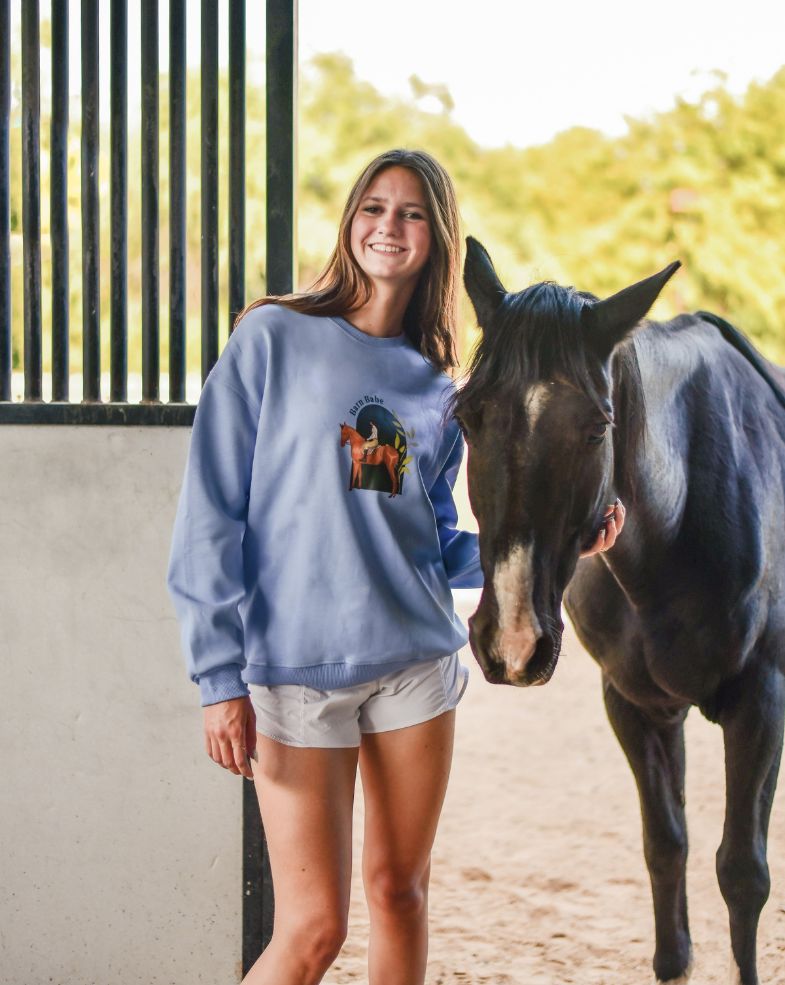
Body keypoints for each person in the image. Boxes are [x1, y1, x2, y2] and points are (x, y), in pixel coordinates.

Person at [165, 148, 624, 985]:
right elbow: (208, 515)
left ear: (436, 238)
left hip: (413, 663)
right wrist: (215, 676)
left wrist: (569, 544)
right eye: (374, 207)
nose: (389, 226)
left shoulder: (437, 386)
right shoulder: (273, 337)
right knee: (311, 931)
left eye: (412, 212)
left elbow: (428, 534)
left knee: (401, 892)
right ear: (350, 222)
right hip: (294, 672)